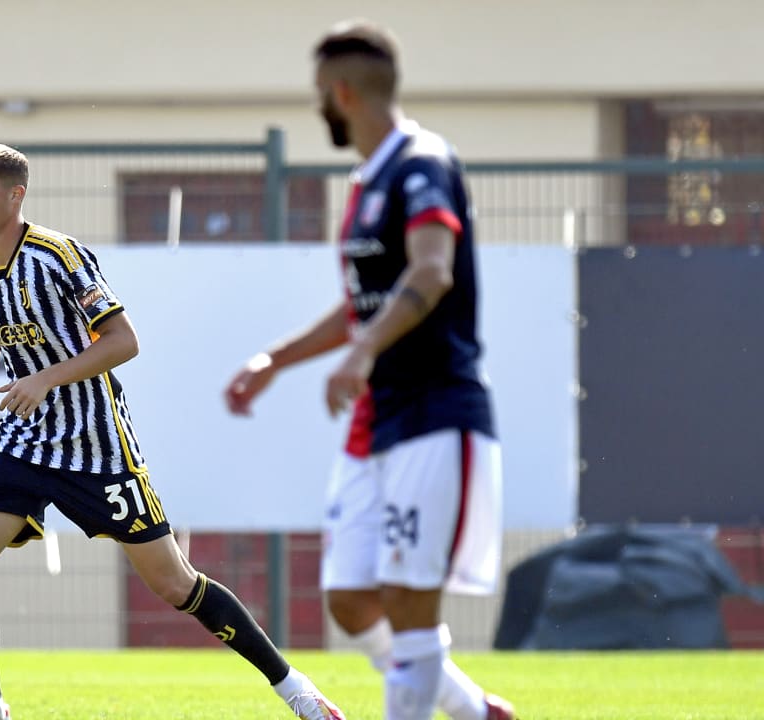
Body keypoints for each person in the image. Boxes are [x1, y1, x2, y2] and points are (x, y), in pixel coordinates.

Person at [0, 143, 346, 720]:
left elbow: (124, 341)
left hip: (98, 447)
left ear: (15, 195)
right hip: (24, 445)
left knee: (175, 584)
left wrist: (47, 378)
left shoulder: (59, 255)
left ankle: (294, 688)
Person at [224, 20, 516, 720]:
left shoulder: (422, 163)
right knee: (350, 597)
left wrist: (363, 351)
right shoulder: (368, 179)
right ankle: (474, 712)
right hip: (378, 418)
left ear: (341, 91)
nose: (319, 106)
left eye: (320, 94)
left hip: (435, 412)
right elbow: (364, 305)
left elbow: (432, 271)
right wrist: (276, 361)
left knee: (412, 604)